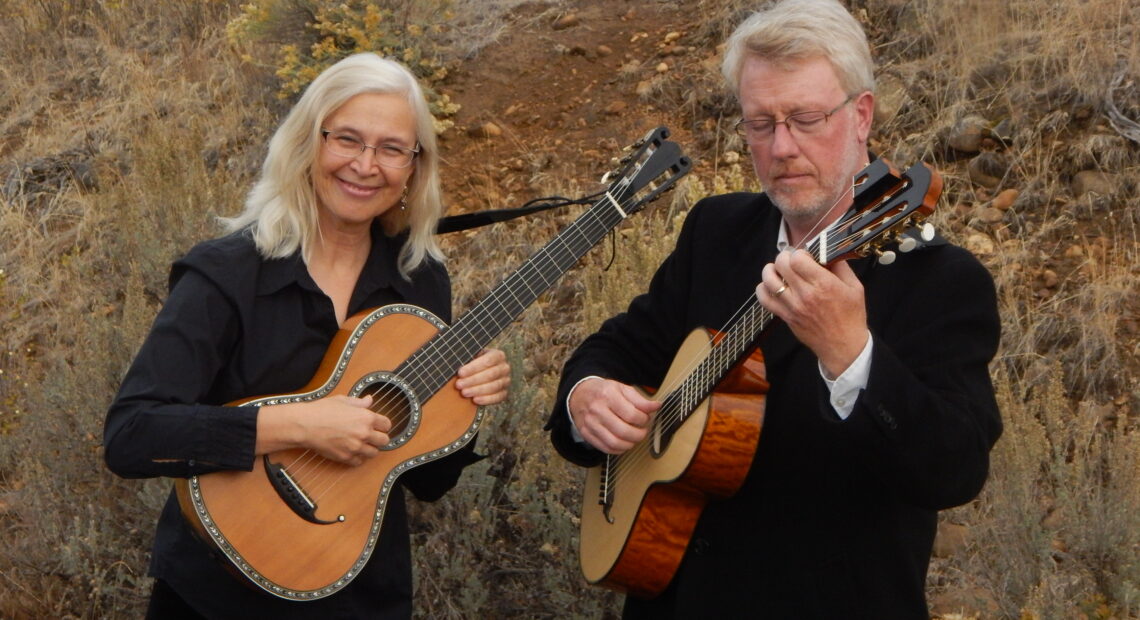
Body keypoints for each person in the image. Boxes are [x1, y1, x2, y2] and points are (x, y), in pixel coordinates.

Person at [545, 0, 1002, 617]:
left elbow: (954, 470)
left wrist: (850, 354)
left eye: (805, 118)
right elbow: (618, 346)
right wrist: (588, 396)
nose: (782, 146)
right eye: (760, 123)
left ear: (861, 114)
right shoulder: (717, 229)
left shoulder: (940, 280)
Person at [104, 53, 511, 618]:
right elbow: (132, 435)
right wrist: (297, 425)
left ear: (414, 168)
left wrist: (466, 399)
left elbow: (429, 479)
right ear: (306, 143)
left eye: (392, 149)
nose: (366, 165)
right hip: (217, 594)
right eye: (346, 139)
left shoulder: (419, 280)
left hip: (361, 593)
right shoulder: (226, 275)